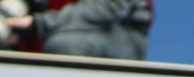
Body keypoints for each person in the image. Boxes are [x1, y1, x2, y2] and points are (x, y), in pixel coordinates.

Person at [1, 0, 151, 60]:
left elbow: (105, 9)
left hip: (122, 32)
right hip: (58, 24)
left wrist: (38, 24)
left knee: (61, 45)